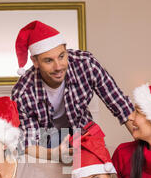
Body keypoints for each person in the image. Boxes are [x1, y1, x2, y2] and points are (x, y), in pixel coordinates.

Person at [11, 20, 134, 161]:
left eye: (62, 56)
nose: (58, 67)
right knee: (52, 173)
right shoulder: (22, 93)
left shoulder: (86, 64)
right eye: (49, 61)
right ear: (35, 62)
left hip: (82, 129)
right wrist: (55, 154)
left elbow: (121, 105)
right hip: (45, 139)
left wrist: (144, 140)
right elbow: (29, 144)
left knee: (98, 166)